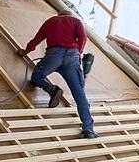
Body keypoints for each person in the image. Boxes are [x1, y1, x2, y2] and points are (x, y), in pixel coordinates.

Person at [19, 9, 97, 139]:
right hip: (72, 58)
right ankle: (89, 129)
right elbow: (83, 38)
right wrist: (78, 52)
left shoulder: (51, 21)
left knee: (37, 77)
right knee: (79, 95)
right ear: (70, 15)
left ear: (59, 15)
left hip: (54, 56)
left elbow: (36, 40)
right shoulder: (76, 21)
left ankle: (53, 90)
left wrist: (25, 52)